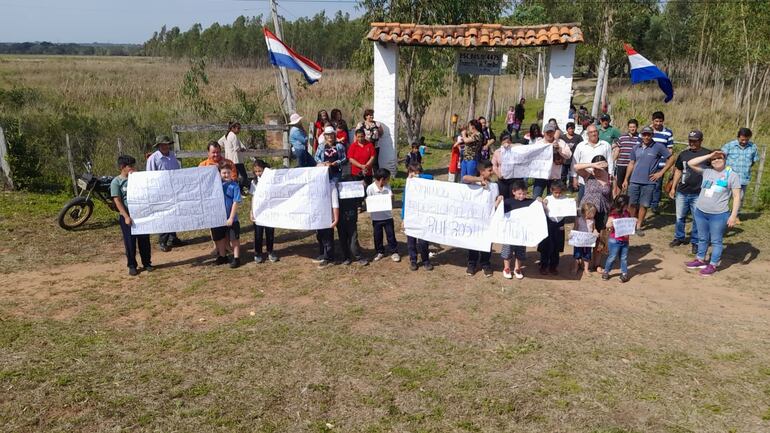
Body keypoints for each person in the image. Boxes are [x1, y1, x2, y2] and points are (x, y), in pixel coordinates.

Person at [684, 151, 742, 277]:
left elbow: (737, 196)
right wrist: (710, 155)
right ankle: (700, 260)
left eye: (719, 158)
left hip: (718, 214)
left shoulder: (732, 175)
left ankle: (713, 264)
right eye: (713, 159)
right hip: (701, 212)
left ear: (725, 159)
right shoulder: (707, 171)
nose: (716, 160)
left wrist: (733, 215)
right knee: (702, 238)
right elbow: (690, 163)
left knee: (716, 241)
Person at [669, 129, 710, 253]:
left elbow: (714, 171)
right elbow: (678, 170)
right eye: (690, 140)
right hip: (682, 191)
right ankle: (679, 237)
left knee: (697, 219)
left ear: (701, 141)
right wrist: (673, 187)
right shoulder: (684, 154)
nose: (692, 143)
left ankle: (695, 241)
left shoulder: (707, 154)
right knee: (679, 216)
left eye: (695, 141)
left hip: (699, 192)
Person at [624, 126, 671, 235]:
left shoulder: (658, 147)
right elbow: (631, 163)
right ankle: (631, 225)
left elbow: (671, 158)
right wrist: (626, 179)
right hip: (634, 180)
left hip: (649, 182)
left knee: (644, 205)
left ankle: (638, 226)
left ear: (652, 135)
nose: (646, 137)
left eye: (648, 134)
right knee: (631, 204)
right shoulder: (636, 147)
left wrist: (661, 172)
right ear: (641, 135)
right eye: (644, 134)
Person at [111, 155, 152, 276]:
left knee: (144, 240)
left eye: (133, 165)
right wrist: (126, 216)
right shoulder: (116, 182)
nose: (133, 168)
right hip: (127, 215)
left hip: (141, 214)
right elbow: (117, 201)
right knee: (130, 242)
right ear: (122, 167)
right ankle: (132, 265)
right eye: (130, 166)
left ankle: (147, 263)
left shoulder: (137, 178)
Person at [146, 135, 185, 252]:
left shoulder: (172, 155)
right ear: (158, 146)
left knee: (174, 213)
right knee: (163, 216)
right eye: (163, 144)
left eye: (167, 144)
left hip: (173, 190)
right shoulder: (153, 158)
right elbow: (150, 176)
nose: (165, 146)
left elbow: (177, 171)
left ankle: (173, 238)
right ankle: (163, 240)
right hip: (161, 192)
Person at [495, 179, 538, 280]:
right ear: (513, 192)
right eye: (519, 193)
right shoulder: (507, 202)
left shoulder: (530, 202)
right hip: (509, 233)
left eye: (524, 193)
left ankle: (517, 268)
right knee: (507, 251)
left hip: (522, 233)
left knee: (520, 252)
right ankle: (506, 268)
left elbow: (539, 208)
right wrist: (498, 201)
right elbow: (496, 209)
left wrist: (541, 200)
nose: (522, 196)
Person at [463, 159, 495, 277]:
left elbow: (495, 200)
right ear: (482, 171)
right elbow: (465, 178)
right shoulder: (473, 183)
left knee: (487, 242)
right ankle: (472, 263)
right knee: (474, 241)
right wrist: (479, 180)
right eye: (489, 170)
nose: (492, 172)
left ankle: (485, 263)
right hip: (474, 219)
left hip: (487, 220)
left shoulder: (494, 185)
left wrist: (499, 199)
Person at [721, 127, 759, 217]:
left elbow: (753, 161)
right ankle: (721, 214)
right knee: (724, 197)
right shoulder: (729, 145)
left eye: (747, 140)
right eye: (742, 139)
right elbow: (721, 158)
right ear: (738, 137)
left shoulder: (753, 147)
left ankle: (735, 215)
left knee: (740, 198)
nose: (744, 142)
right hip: (728, 177)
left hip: (743, 178)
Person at [570, 124, 614, 202]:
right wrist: (574, 177)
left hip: (602, 180)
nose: (593, 134)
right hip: (584, 179)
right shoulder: (581, 146)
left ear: (598, 132)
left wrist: (610, 176)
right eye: (591, 132)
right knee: (583, 203)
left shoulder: (606, 145)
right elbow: (575, 162)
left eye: (595, 131)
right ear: (587, 134)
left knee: (602, 202)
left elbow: (610, 162)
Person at [404, 162, 434, 271]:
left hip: (423, 217)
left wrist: (418, 176)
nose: (413, 175)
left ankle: (426, 260)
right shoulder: (408, 185)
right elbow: (404, 202)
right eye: (411, 172)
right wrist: (403, 217)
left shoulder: (425, 182)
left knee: (423, 241)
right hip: (411, 216)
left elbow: (431, 177)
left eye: (416, 173)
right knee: (411, 241)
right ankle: (413, 260)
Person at [212, 165, 242, 269]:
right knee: (220, 238)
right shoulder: (216, 186)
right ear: (219, 174)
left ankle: (236, 258)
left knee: (234, 239)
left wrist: (231, 218)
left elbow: (235, 202)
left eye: (228, 172)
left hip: (232, 219)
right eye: (224, 173)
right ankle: (222, 256)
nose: (226, 175)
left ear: (232, 173)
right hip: (218, 217)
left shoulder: (235, 186)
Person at [367, 168, 400, 262]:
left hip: (387, 216)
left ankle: (394, 251)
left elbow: (391, 199)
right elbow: (369, 200)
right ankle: (380, 251)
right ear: (382, 179)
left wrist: (392, 198)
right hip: (376, 217)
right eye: (388, 179)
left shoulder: (387, 186)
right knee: (377, 235)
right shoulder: (370, 188)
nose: (388, 181)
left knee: (391, 235)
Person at [249, 159, 278, 264]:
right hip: (258, 211)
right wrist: (252, 211)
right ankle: (258, 253)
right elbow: (253, 197)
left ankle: (270, 251)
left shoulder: (271, 181)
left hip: (269, 210)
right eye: (256, 171)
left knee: (270, 232)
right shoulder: (254, 182)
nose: (258, 173)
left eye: (260, 171)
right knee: (258, 233)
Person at [337, 176, 368, 266]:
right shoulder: (338, 194)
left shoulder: (354, 195)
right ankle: (346, 257)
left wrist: (363, 187)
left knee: (353, 240)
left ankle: (358, 257)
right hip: (340, 221)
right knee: (343, 240)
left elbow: (362, 196)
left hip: (351, 220)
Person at [534, 123, 572, 198]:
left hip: (554, 177)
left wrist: (559, 149)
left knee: (552, 199)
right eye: (547, 132)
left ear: (554, 132)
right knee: (536, 197)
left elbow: (569, 155)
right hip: (540, 176)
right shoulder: (538, 143)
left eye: (551, 132)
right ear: (544, 133)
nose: (549, 134)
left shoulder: (560, 142)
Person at [539, 180, 568, 276]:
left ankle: (553, 266)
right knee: (546, 246)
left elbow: (569, 209)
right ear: (551, 190)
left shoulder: (566, 199)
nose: (558, 194)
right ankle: (543, 266)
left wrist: (572, 205)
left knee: (556, 247)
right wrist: (543, 204)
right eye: (556, 192)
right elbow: (542, 210)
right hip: (549, 224)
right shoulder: (548, 198)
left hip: (559, 225)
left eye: (560, 192)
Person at [576, 155, 612, 232]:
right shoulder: (588, 175)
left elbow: (612, 196)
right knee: (585, 231)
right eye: (595, 169)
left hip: (602, 211)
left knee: (600, 232)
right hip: (587, 210)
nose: (597, 171)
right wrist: (592, 165)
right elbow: (575, 167)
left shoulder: (610, 178)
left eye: (599, 169)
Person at [602, 194, 632, 283]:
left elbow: (629, 223)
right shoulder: (613, 214)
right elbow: (607, 225)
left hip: (625, 240)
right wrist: (610, 223)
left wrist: (634, 222)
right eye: (627, 204)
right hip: (614, 240)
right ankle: (606, 271)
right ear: (623, 204)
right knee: (612, 257)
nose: (628, 206)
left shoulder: (627, 213)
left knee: (624, 258)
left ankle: (624, 273)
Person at [649, 111, 675, 212]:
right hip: (648, 163)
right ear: (652, 120)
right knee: (646, 184)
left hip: (661, 164)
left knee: (657, 185)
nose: (658, 123)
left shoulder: (668, 132)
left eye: (660, 121)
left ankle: (654, 205)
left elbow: (670, 149)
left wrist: (669, 164)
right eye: (656, 121)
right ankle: (645, 203)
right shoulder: (647, 131)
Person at [313, 178, 340, 269]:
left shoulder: (331, 186)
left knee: (327, 239)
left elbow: (335, 204)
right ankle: (323, 255)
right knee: (320, 237)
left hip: (328, 218)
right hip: (318, 218)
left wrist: (335, 219)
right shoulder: (315, 185)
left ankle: (329, 259)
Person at [612, 119, 640, 196]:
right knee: (619, 184)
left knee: (630, 184)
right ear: (628, 127)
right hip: (621, 164)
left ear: (637, 127)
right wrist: (613, 161)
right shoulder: (622, 137)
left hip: (633, 165)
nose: (632, 129)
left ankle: (628, 200)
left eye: (634, 127)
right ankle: (617, 200)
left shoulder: (640, 138)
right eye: (630, 127)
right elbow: (617, 149)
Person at [492, 132, 522, 200]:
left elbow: (521, 146)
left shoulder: (516, 150)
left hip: (513, 179)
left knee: (513, 198)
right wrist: (498, 174)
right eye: (504, 142)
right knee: (503, 198)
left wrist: (511, 146)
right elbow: (494, 166)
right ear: (501, 142)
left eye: (508, 142)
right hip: (502, 179)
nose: (506, 144)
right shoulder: (497, 152)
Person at [219, 121, 248, 187]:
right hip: (236, 159)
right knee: (244, 176)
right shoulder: (234, 136)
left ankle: (235, 188)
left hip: (229, 159)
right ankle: (240, 188)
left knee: (234, 176)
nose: (239, 130)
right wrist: (242, 149)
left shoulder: (226, 135)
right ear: (233, 128)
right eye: (238, 128)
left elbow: (219, 142)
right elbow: (236, 148)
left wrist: (227, 148)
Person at [573, 202, 598, 275]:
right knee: (577, 255)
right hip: (579, 241)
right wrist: (571, 235)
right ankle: (576, 267)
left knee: (587, 255)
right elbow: (575, 229)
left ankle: (586, 269)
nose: (593, 214)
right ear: (585, 212)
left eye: (594, 213)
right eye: (592, 213)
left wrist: (595, 232)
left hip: (588, 242)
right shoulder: (578, 219)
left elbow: (594, 229)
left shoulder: (593, 220)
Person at [561, 122, 582, 187]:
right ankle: (563, 187)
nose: (571, 130)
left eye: (573, 128)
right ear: (567, 129)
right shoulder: (562, 137)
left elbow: (582, 146)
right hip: (564, 160)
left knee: (573, 174)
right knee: (563, 174)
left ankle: (572, 187)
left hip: (574, 160)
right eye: (570, 128)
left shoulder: (578, 137)